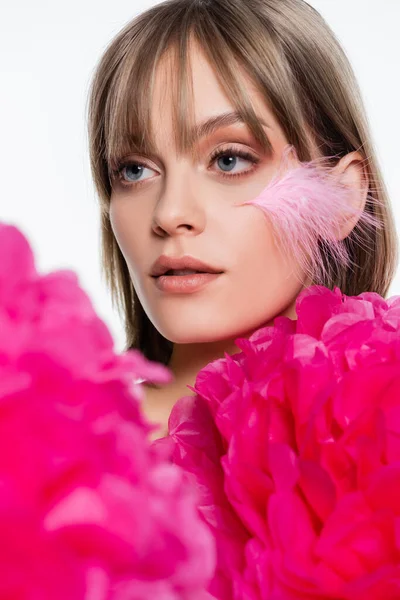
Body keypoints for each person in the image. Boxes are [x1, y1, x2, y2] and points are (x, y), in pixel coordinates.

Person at [86, 0, 398, 441]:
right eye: (134, 170)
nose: (170, 214)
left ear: (345, 196)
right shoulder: (48, 445)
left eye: (229, 160)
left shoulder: (385, 424)